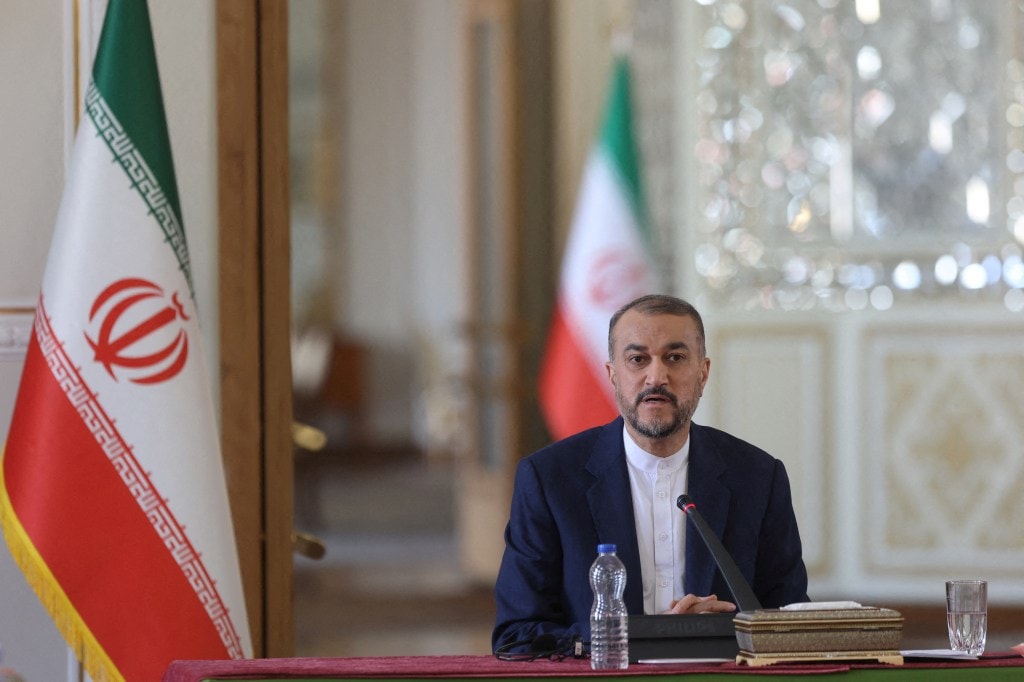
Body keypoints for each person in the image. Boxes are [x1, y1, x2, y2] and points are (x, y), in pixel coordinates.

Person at [492, 294, 809, 652]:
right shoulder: (549, 479)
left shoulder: (757, 477)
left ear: (703, 373)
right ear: (612, 374)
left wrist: (719, 632)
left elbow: (788, 620)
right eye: (637, 359)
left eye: (675, 358)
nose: (656, 377)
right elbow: (517, 635)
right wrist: (646, 635)